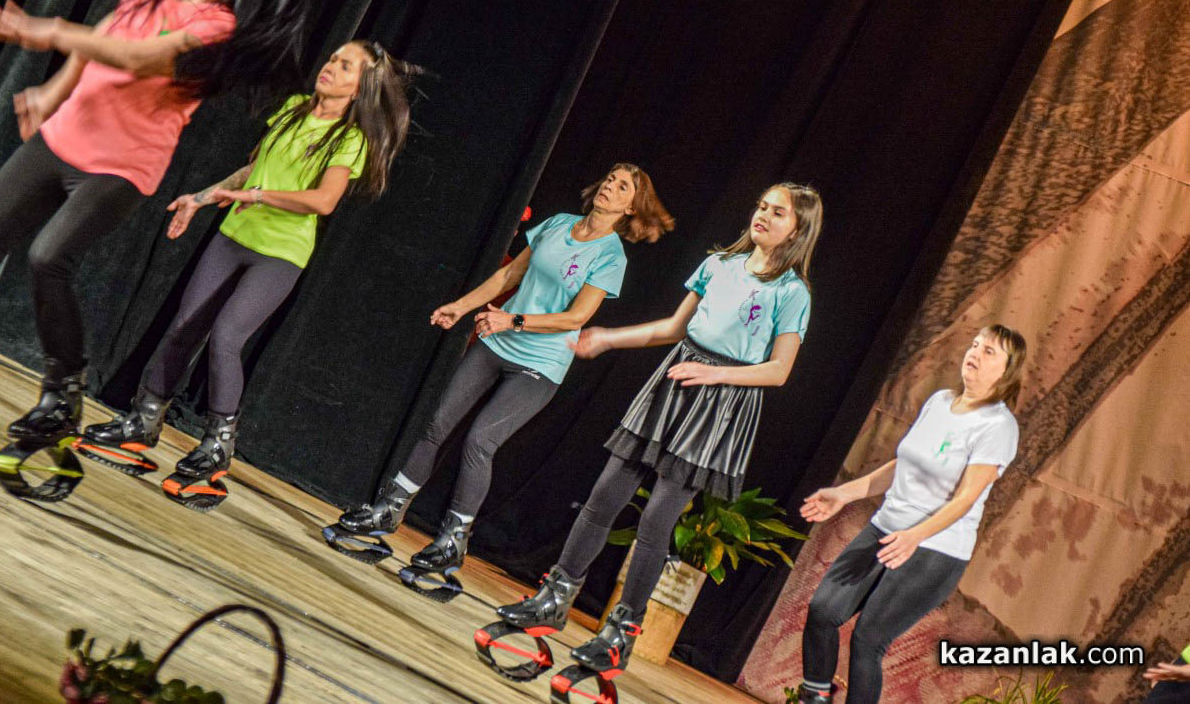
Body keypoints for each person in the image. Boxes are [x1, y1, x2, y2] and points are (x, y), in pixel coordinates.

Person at [0, 0, 319, 445]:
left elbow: (135, 58)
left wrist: (51, 30)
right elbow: (103, 36)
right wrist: (54, 91)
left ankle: (62, 394)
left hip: (122, 165)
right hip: (62, 138)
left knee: (48, 258)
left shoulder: (218, 28)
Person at [495, 183, 822, 678]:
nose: (764, 215)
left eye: (778, 213)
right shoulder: (719, 265)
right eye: (762, 206)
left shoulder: (791, 292)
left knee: (655, 521)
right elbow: (672, 329)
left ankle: (620, 633)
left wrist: (715, 375)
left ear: (798, 230)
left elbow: (778, 371)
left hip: (720, 401)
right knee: (604, 497)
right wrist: (608, 338)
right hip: (674, 381)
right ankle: (555, 597)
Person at [79, 39, 420, 505]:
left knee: (225, 338)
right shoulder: (295, 108)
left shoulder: (349, 139)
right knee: (183, 327)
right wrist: (202, 198)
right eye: (331, 58)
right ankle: (143, 421)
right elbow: (253, 169)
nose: (330, 67)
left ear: (360, 88)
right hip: (233, 237)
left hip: (280, 253)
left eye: (345, 67)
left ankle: (217, 447)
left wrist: (258, 196)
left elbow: (324, 201)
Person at [331, 164, 674, 587]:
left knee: (480, 441)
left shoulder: (610, 256)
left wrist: (513, 320)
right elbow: (509, 275)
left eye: (623, 187)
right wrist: (461, 307)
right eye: (610, 178)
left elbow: (576, 317)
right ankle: (388, 510)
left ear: (631, 208)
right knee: (435, 423)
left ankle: (452, 541)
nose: (610, 186)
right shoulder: (558, 224)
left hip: (540, 365)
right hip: (497, 343)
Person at [793, 325, 1026, 704]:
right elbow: (903, 465)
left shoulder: (998, 425)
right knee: (824, 610)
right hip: (887, 527)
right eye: (975, 345)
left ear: (1007, 370)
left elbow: (966, 498)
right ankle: (815, 698)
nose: (975, 353)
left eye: (989, 352)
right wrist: (843, 494)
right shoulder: (940, 401)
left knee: (868, 639)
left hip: (935, 548)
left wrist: (915, 536)